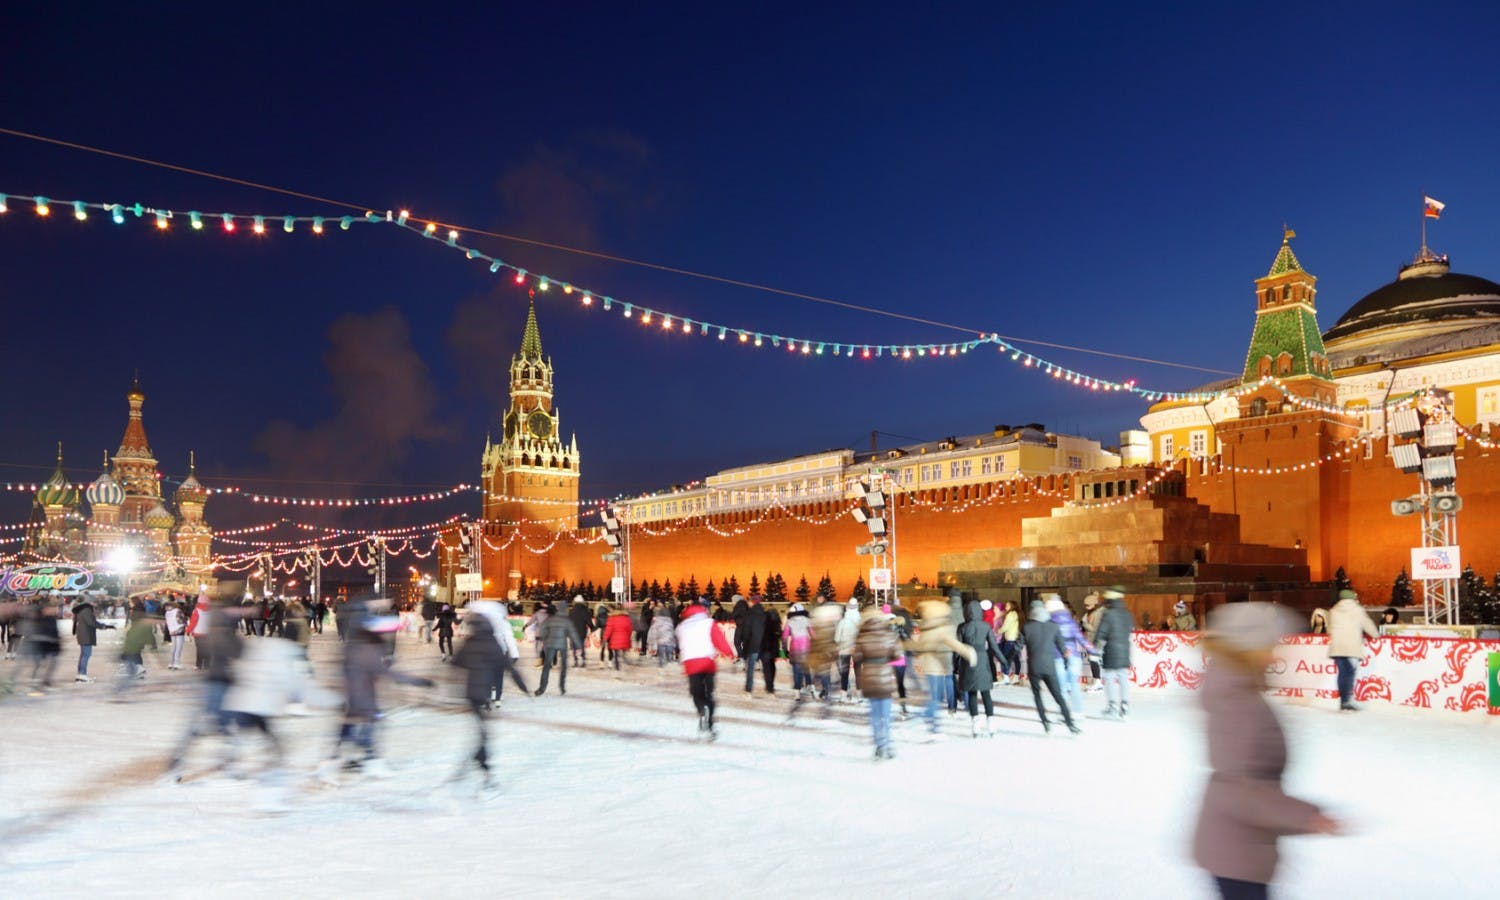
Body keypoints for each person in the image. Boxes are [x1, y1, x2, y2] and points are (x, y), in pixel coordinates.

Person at [1194, 602, 1343, 899]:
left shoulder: (1238, 694)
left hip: (1240, 847)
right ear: (1247, 650)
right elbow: (1240, 789)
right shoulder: (1236, 702)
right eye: (1269, 646)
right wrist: (1305, 817)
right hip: (1235, 852)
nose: (1275, 656)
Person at [451, 600, 530, 790]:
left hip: (471, 694)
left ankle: (478, 762)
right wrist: (523, 687)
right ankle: (484, 769)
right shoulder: (492, 644)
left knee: (482, 731)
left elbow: (456, 663)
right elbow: (509, 668)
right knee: (483, 733)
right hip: (483, 692)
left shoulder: (470, 642)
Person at [905, 600, 976, 739]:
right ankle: (929, 724)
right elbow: (952, 643)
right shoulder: (941, 628)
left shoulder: (926, 626)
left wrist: (905, 644)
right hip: (936, 666)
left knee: (935, 697)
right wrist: (968, 652)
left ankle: (931, 723)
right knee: (934, 699)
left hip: (929, 666)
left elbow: (920, 646)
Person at [675, 598, 735, 739]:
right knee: (709, 694)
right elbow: (719, 640)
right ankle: (709, 724)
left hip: (691, 664)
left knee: (697, 694)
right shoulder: (708, 623)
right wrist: (729, 654)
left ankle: (702, 709)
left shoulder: (682, 626)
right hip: (707, 663)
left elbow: (680, 644)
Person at [1021, 601, 1079, 734]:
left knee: (1037, 695)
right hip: (1049, 666)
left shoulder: (1027, 627)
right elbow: (1063, 648)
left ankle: (1045, 722)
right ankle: (1070, 724)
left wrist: (1007, 659)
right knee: (1058, 696)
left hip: (1034, 667)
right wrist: (1066, 662)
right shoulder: (1054, 626)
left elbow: (1018, 645)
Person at [854, 604, 900, 759]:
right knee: (886, 714)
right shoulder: (889, 634)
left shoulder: (862, 635)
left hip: (869, 678)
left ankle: (880, 745)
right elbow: (898, 657)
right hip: (885, 677)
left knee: (874, 714)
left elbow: (857, 658)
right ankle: (888, 744)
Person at [1327, 588, 1378, 711]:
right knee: (1349, 673)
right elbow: (1368, 625)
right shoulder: (1357, 610)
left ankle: (1343, 700)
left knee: (1342, 673)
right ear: (1352, 598)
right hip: (1351, 646)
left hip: (1337, 646)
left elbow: (1329, 629)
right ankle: (1346, 701)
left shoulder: (1333, 611)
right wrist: (1376, 635)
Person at [958, 599, 1002, 737]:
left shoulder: (962, 627)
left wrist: (954, 666)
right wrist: (1004, 660)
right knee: (986, 693)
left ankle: (975, 724)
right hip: (983, 660)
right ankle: (991, 723)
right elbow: (994, 647)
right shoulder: (986, 626)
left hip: (969, 660)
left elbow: (958, 649)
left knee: (972, 693)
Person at [1092, 587, 1134, 718]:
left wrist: (1095, 646)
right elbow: (1130, 629)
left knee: (1109, 678)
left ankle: (1112, 706)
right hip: (1125, 649)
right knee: (1123, 678)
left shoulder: (1108, 614)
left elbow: (1102, 632)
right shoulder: (1127, 613)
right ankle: (1125, 705)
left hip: (1111, 650)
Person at [1045, 595, 1090, 718]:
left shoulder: (1049, 621)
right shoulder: (1071, 621)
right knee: (1074, 685)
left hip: (1058, 656)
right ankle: (1078, 711)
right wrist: (1092, 649)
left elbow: (1047, 641)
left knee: (1062, 687)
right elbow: (1080, 638)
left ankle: (1065, 713)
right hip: (1074, 656)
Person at [536, 601, 581, 695]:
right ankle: (562, 687)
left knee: (547, 666)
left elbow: (543, 628)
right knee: (563, 666)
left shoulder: (551, 619)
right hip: (562, 645)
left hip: (550, 644)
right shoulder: (567, 620)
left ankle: (541, 688)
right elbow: (573, 633)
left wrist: (544, 638)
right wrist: (578, 646)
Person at [72, 596, 114, 682]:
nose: (95, 604)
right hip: (86, 635)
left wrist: (104, 626)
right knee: (86, 655)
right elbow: (91, 622)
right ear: (89, 602)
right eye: (93, 602)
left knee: (84, 655)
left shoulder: (82, 609)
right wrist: (103, 626)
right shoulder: (86, 610)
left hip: (83, 634)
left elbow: (91, 621)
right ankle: (82, 674)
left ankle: (81, 673)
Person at [737, 594, 767, 695]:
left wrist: (744, 645)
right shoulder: (764, 613)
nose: (748, 603)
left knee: (750, 668)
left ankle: (748, 690)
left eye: (750, 601)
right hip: (763, 644)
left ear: (753, 602)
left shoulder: (749, 614)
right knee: (767, 667)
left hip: (753, 645)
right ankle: (770, 689)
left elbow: (746, 631)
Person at [834, 598, 862, 702]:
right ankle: (859, 696)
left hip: (844, 650)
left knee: (844, 673)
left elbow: (837, 638)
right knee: (858, 673)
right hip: (857, 650)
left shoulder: (843, 621)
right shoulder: (860, 621)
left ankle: (843, 696)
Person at [782, 602, 813, 697]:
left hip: (794, 649)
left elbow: (784, 637)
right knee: (806, 667)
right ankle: (809, 685)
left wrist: (784, 650)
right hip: (806, 648)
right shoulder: (807, 621)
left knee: (796, 670)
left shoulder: (790, 621)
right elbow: (813, 634)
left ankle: (797, 691)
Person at [995, 600, 1022, 685]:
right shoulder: (1017, 614)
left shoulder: (1010, 615)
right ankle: (1016, 677)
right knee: (1016, 659)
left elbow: (1005, 627)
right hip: (1016, 640)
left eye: (1007, 606)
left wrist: (997, 632)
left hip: (1010, 640)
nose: (1005, 607)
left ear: (1011, 606)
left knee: (1005, 659)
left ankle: (1005, 677)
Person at [1082, 593, 1105, 690]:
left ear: (1094, 605)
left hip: (1096, 641)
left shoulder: (1099, 613)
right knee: (1092, 660)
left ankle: (1097, 680)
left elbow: (1095, 628)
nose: (1087, 607)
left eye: (1089, 605)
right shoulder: (1090, 613)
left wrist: (1085, 624)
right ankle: (1096, 679)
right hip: (1090, 640)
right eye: (1086, 605)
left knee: (1094, 660)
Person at [602, 604, 634, 672]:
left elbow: (608, 630)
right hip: (625, 638)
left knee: (616, 654)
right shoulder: (627, 618)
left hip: (615, 640)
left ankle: (617, 667)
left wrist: (605, 638)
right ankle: (624, 663)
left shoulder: (612, 618)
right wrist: (628, 636)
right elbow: (630, 629)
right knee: (624, 652)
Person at [759, 601, 782, 695]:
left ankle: (769, 686)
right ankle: (771, 683)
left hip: (765, 645)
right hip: (774, 646)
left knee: (766, 667)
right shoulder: (777, 620)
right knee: (772, 665)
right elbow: (779, 633)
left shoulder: (763, 619)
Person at [647, 605, 676, 671]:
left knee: (661, 655)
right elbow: (672, 631)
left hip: (661, 641)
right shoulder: (670, 620)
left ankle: (661, 665)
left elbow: (654, 631)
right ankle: (670, 665)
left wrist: (652, 641)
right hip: (669, 640)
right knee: (669, 655)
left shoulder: (657, 620)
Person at [567, 595, 593, 667]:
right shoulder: (585, 611)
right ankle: (583, 660)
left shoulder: (571, 611)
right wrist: (592, 628)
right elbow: (589, 622)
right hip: (582, 632)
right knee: (581, 646)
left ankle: (576, 661)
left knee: (574, 647)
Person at [164, 599, 187, 670]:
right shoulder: (177, 611)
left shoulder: (167, 612)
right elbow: (180, 621)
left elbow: (167, 622)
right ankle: (177, 663)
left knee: (173, 647)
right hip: (179, 630)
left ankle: (171, 663)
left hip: (172, 631)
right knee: (178, 647)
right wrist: (185, 623)